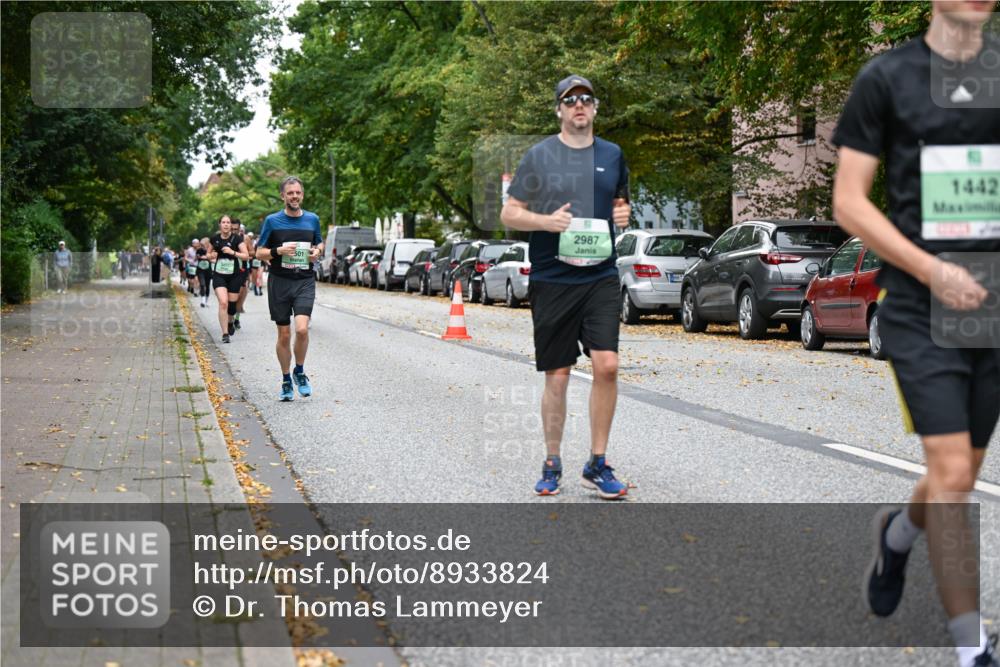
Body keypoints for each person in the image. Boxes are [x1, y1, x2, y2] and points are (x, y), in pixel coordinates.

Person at [832, 3, 999, 665]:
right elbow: (848, 200)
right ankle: (972, 645)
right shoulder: (888, 77)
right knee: (953, 473)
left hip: (991, 304)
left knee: (958, 470)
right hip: (919, 304)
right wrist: (933, 270)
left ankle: (897, 535)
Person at [500, 74, 632, 500]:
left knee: (607, 365)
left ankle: (598, 462)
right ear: (559, 109)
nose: (579, 105)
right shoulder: (539, 156)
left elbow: (619, 202)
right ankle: (552, 461)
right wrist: (546, 222)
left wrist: (623, 214)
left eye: (586, 99)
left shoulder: (612, 155)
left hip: (599, 275)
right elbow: (509, 213)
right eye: (570, 99)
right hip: (553, 277)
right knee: (557, 375)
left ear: (594, 108)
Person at [255, 176, 323, 401]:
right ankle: (286, 380)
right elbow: (259, 252)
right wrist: (278, 251)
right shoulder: (272, 221)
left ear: (302, 194)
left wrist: (317, 251)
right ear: (283, 196)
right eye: (290, 193)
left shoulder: (312, 219)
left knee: (302, 330)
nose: (294, 196)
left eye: (298, 192)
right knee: (284, 335)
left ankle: (299, 372)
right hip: (280, 282)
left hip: (304, 280)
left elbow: (319, 242)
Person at [209, 216, 251, 344]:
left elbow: (246, 256)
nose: (226, 224)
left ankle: (230, 321)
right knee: (223, 303)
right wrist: (211, 255)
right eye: (223, 222)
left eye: (228, 222)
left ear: (230, 225)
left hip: (234, 275)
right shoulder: (214, 239)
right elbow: (208, 254)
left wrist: (232, 252)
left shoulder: (237, 239)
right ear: (219, 224)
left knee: (232, 306)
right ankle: (225, 333)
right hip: (219, 274)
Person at [196, 237, 212, 308]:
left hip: (208, 270)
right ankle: (202, 300)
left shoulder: (211, 250)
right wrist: (199, 257)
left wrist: (207, 257)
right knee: (202, 284)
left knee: (207, 285)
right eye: (201, 245)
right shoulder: (199, 250)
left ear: (207, 244)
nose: (202, 246)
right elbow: (197, 257)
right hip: (200, 270)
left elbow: (213, 257)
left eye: (203, 245)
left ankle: (206, 301)